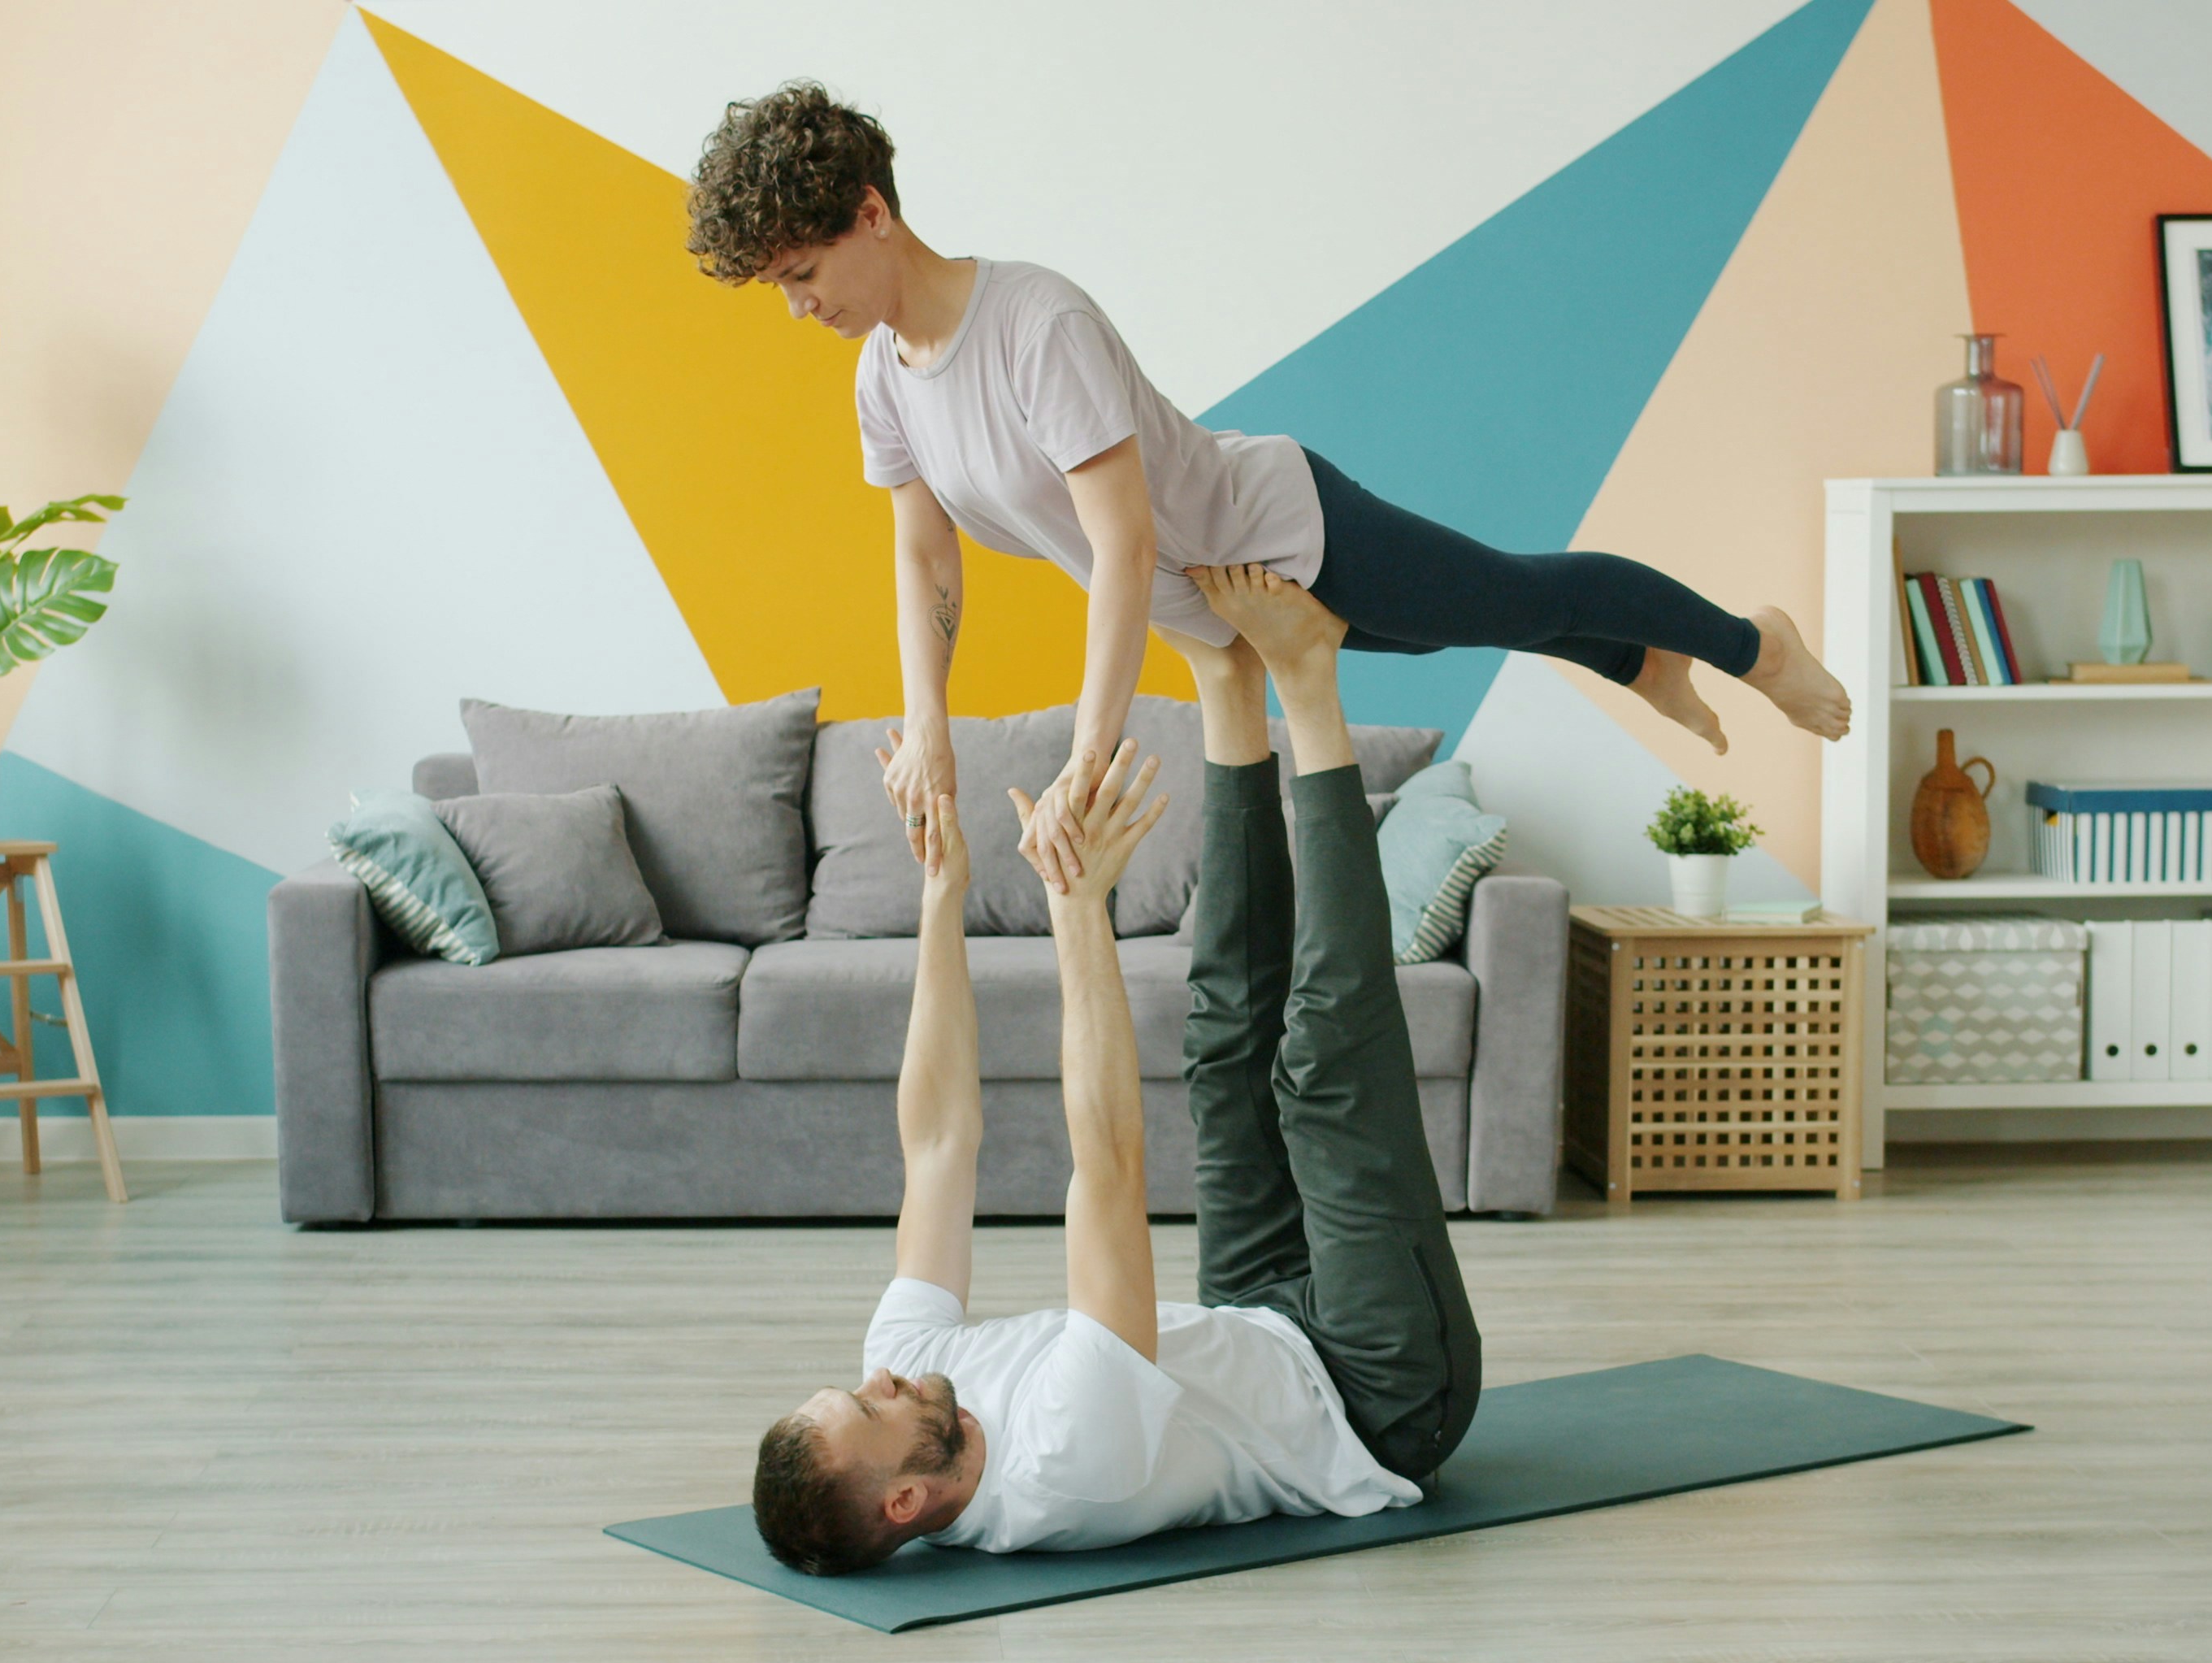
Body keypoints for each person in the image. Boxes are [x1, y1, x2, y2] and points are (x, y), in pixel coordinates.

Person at [682, 81, 1854, 886]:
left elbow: (1124, 546)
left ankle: (1756, 646)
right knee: (1490, 624)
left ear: (873, 215)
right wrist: (924, 722)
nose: (798, 306)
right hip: (1226, 602)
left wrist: (1089, 754)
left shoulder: (1038, 326)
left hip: (1281, 533)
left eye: (802, 272)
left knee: (1520, 596)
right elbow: (924, 554)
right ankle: (1640, 658)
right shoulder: (884, 377)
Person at [750, 565, 1481, 1574]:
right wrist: (1075, 907)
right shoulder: (1060, 1467)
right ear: (909, 1497)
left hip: (1251, 1319)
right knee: (1324, 1071)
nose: (881, 1374)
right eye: (869, 1405)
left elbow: (936, 1141)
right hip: (1374, 1394)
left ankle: (1230, 686)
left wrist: (940, 891)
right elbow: (1109, 1169)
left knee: (1223, 1048)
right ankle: (1308, 678)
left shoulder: (915, 1390)